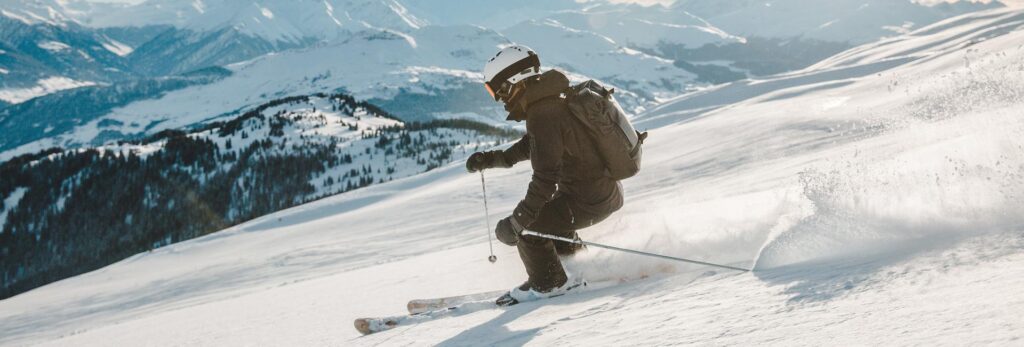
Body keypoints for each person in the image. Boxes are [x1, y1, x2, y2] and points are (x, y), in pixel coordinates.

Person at [466, 45, 624, 304]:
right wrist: (494, 159)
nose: (499, 98)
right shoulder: (554, 101)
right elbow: (537, 145)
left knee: (531, 227)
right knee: (552, 218)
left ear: (514, 82)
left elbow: (545, 180)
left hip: (588, 198)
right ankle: (576, 269)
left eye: (498, 90)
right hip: (599, 192)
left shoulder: (544, 113)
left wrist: (518, 223)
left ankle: (549, 284)